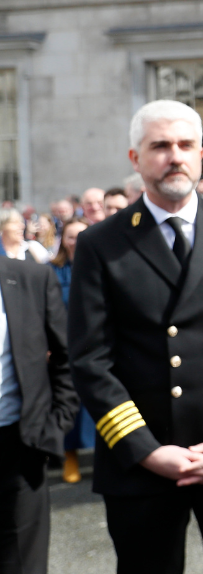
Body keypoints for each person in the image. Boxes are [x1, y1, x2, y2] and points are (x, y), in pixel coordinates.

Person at [69, 100, 203, 574]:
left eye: (186, 145)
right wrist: (146, 450)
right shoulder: (101, 244)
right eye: (160, 146)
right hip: (144, 460)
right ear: (135, 158)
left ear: (201, 154)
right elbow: (89, 360)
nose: (175, 156)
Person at [0, 245, 79, 573]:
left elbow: (66, 356)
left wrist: (56, 423)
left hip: (20, 441)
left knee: (21, 561)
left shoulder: (30, 277)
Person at [49, 218, 95, 485]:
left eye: (80, 235)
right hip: (64, 345)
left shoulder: (97, 263)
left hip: (94, 344)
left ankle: (102, 455)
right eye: (70, 236)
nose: (75, 241)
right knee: (69, 403)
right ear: (62, 240)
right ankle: (70, 455)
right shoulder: (53, 271)